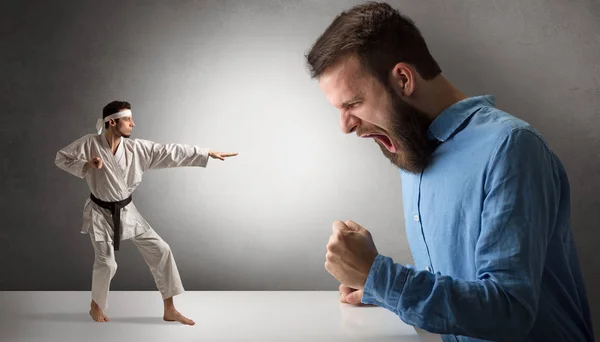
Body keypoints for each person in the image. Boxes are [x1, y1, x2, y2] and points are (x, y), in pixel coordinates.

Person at [306, 2, 594, 341]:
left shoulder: (511, 147)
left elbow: (509, 311)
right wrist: (374, 287)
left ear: (403, 79)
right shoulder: (412, 150)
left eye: (352, 104)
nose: (345, 126)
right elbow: (463, 281)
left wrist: (378, 276)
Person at [55, 100, 237, 325]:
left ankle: (170, 309)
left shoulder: (136, 149)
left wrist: (205, 152)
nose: (133, 123)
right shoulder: (89, 143)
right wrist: (86, 165)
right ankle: (96, 306)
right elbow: (62, 158)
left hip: (126, 209)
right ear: (112, 122)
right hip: (100, 213)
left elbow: (169, 151)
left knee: (161, 250)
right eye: (128, 119)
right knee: (107, 263)